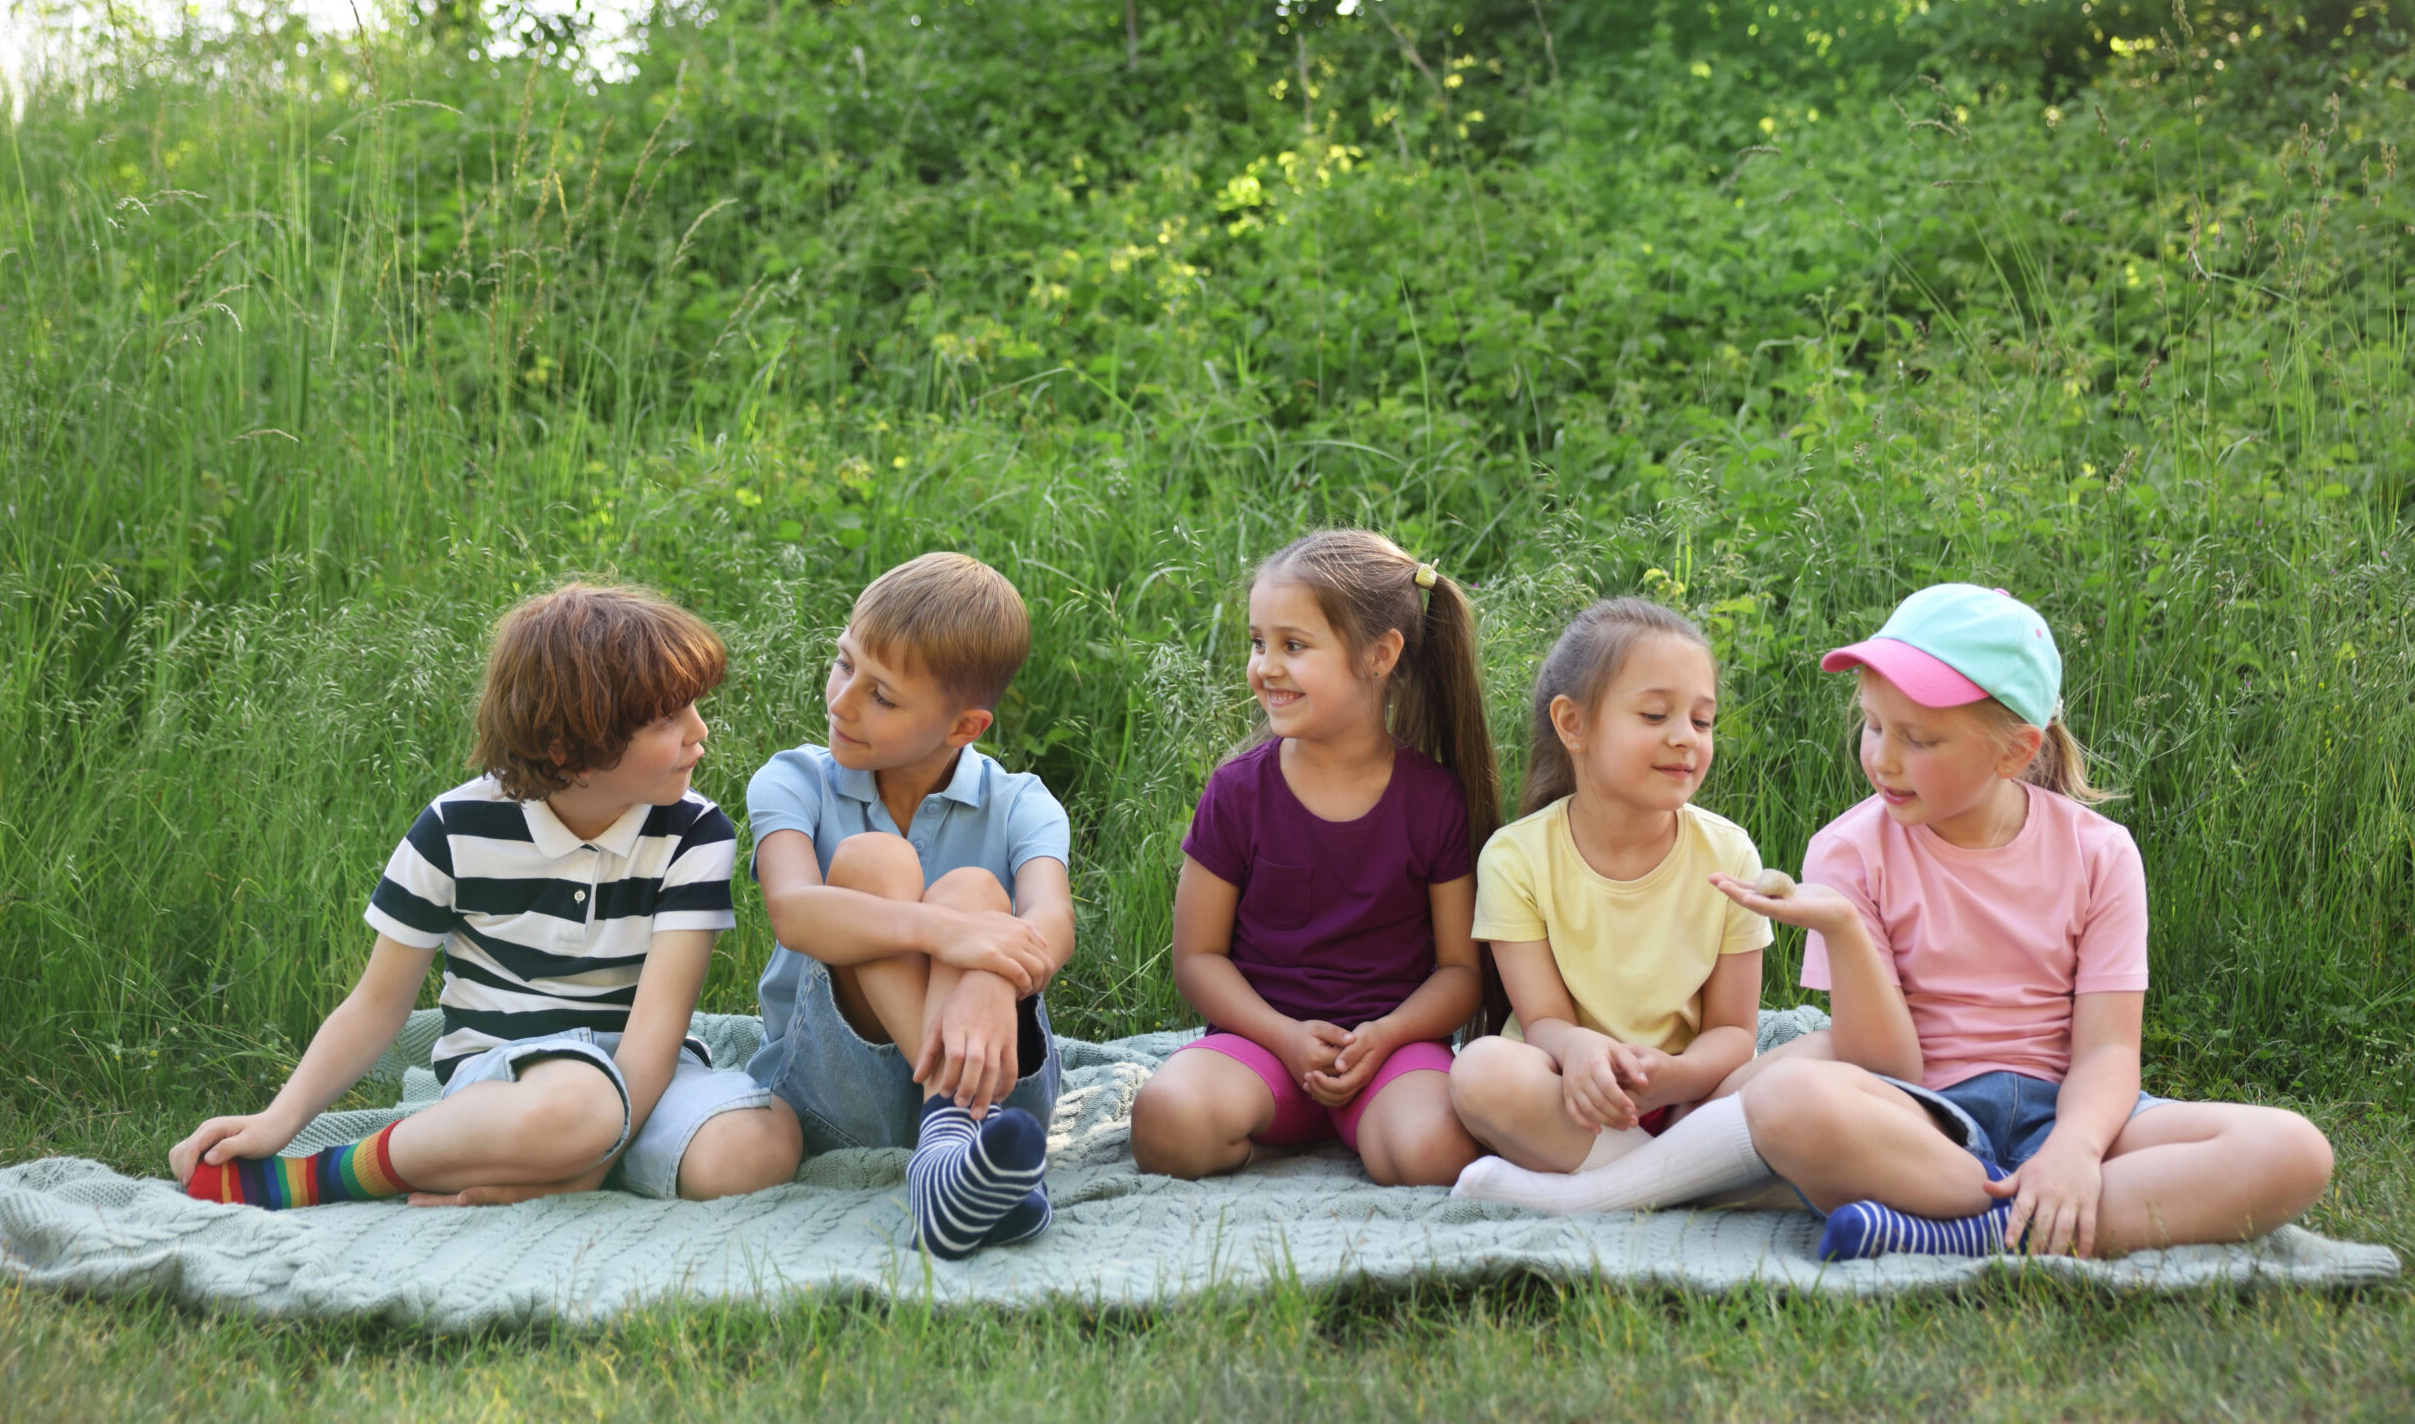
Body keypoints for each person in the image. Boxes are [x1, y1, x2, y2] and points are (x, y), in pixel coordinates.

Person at [1712, 582, 2335, 1259]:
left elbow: (2107, 1049)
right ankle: (2024, 1219)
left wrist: (2073, 1150)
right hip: (1923, 1121)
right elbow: (1881, 1065)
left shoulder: (2099, 853)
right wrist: (1841, 928)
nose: (1883, 758)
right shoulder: (1848, 851)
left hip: (2069, 1109)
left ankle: (1968, 1229)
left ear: (2013, 753)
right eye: (1873, 725)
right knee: (1787, 1100)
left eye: (1918, 739)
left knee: (2293, 1150)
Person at [169, 584, 798, 1209]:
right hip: (506, 1074)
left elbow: (655, 1036)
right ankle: (332, 1174)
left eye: (691, 706)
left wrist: (586, 1161)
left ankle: (549, 1169)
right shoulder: (453, 827)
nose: (699, 730)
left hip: (645, 1071)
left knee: (757, 1147)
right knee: (580, 1104)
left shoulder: (695, 832)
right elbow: (377, 1005)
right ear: (569, 750)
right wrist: (278, 1122)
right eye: (666, 719)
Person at [1130, 530, 1499, 1187]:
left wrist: (1384, 1036)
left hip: (1392, 1054)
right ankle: (1267, 1149)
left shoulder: (1435, 800)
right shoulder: (1237, 793)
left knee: (1436, 1154)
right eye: (1257, 642)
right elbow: (1198, 959)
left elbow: (1459, 974)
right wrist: (1283, 1036)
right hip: (1261, 1050)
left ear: (1380, 655)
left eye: (1293, 646)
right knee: (1165, 1121)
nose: (1265, 666)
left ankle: (1362, 1131)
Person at [744, 551, 1073, 1259]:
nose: (840, 701)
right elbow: (794, 911)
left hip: (1004, 1090)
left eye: (882, 696)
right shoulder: (793, 780)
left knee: (979, 892)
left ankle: (948, 1158)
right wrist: (958, 937)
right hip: (840, 1097)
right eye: (843, 663)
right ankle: (955, 1141)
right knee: (875, 864)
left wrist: (986, 971)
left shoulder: (1022, 803)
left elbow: (1051, 925)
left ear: (964, 728)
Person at [1445, 599, 1780, 1214]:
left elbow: (1734, 1032)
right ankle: (1688, 1186)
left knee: (1818, 1062)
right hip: (1571, 1099)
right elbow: (1543, 1021)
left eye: (1702, 721)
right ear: (1573, 724)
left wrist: (1673, 1075)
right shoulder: (1516, 857)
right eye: (1655, 714)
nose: (1685, 736)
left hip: (1690, 1098)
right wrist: (1582, 1055)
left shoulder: (1729, 852)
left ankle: (1615, 1191)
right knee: (1479, 1072)